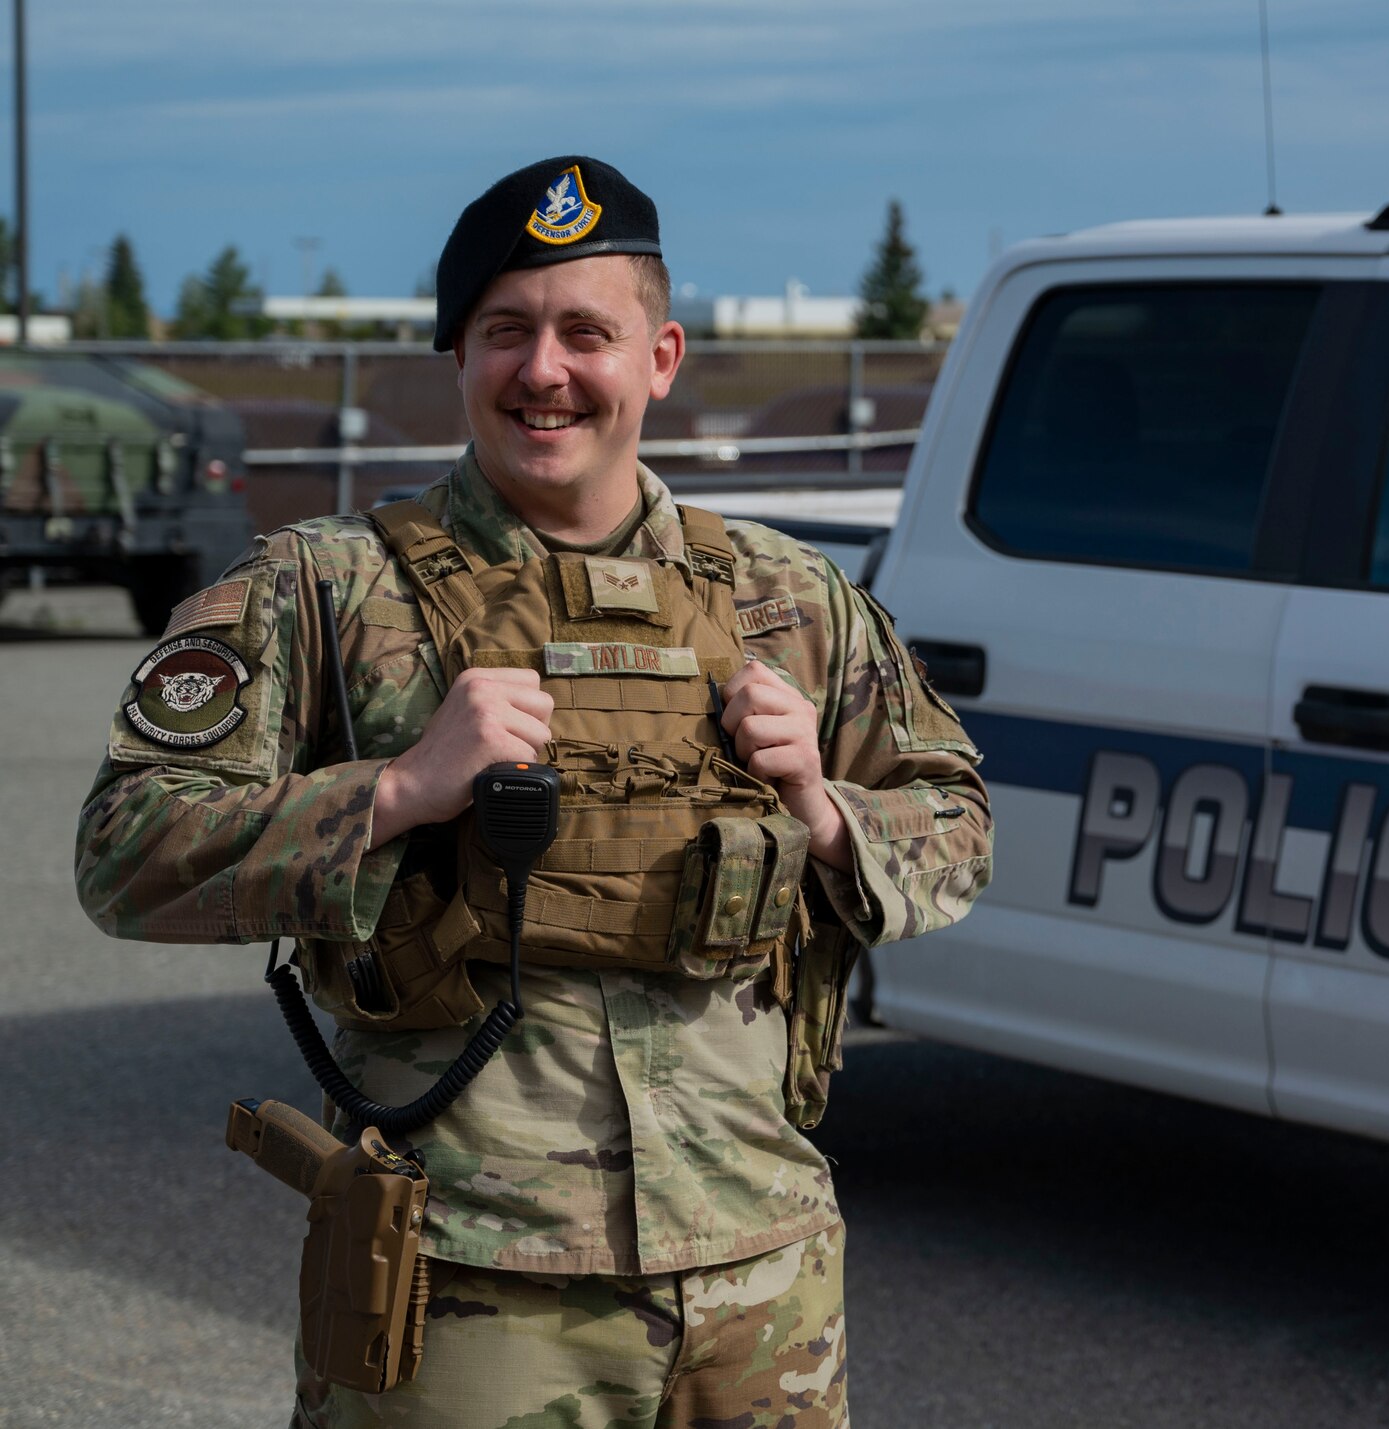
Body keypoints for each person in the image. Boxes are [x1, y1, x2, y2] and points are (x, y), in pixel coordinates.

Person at [74, 155, 992, 1428]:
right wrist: (393, 790)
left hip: (758, 1273)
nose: (544, 371)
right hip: (464, 1283)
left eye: (584, 333)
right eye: (506, 331)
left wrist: (830, 810)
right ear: (458, 354)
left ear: (659, 357)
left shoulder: (789, 598)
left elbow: (958, 820)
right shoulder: (326, 590)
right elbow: (125, 849)